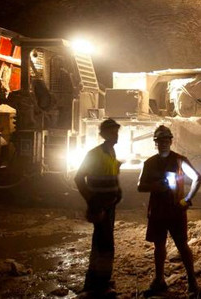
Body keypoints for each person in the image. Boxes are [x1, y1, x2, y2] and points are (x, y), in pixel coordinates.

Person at [138, 125, 201, 298]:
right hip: (158, 210)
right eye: (161, 141)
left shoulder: (179, 160)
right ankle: (159, 280)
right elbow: (140, 186)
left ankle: (192, 282)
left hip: (175, 209)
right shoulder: (149, 163)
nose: (164, 143)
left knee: (182, 245)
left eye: (167, 140)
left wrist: (187, 199)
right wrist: (154, 186)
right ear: (156, 143)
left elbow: (198, 178)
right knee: (159, 246)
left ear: (171, 141)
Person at [74, 118, 122, 298]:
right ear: (103, 135)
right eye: (112, 132)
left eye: (116, 132)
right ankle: (99, 287)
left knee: (101, 243)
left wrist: (118, 190)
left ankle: (96, 282)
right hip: (100, 206)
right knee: (105, 245)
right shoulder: (94, 154)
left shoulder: (111, 152)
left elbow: (112, 173)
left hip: (110, 206)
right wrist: (92, 202)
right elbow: (79, 178)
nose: (115, 135)